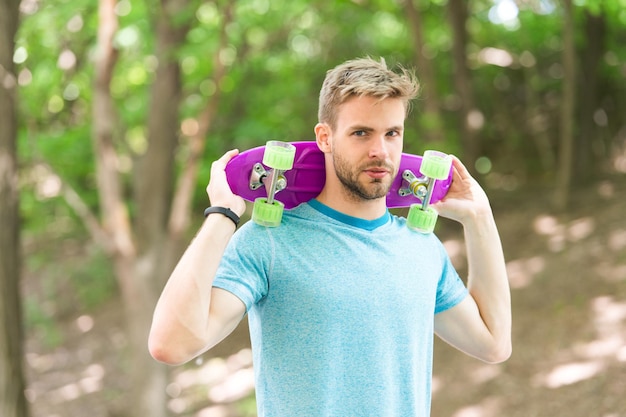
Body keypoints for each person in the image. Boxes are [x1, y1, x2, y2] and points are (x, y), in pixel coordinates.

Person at [149, 57, 511, 416]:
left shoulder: (423, 249)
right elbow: (171, 344)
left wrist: (480, 220)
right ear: (325, 137)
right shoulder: (269, 243)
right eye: (360, 132)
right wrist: (222, 216)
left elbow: (494, 344)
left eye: (392, 133)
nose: (380, 151)